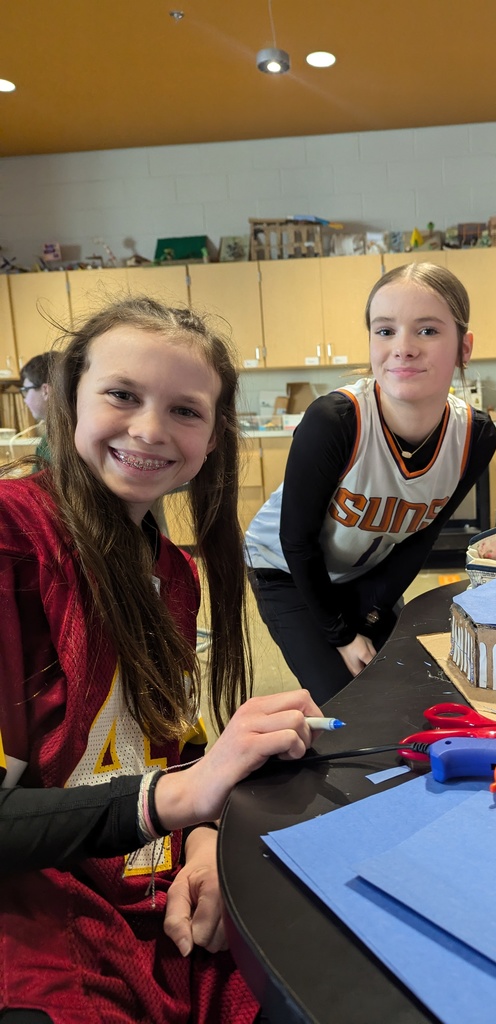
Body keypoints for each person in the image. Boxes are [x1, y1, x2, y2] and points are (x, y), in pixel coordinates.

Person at [0, 297, 324, 1024]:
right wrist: (179, 799)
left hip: (152, 893)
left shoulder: (173, 573)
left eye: (184, 410)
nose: (150, 430)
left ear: (212, 437)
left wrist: (204, 839)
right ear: (69, 401)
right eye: (122, 395)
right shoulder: (13, 537)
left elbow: (170, 746)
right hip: (38, 922)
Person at [246, 262, 496, 702]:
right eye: (385, 331)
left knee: (405, 687)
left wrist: (372, 613)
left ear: (464, 347)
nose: (403, 348)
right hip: (286, 569)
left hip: (364, 572)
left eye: (427, 331)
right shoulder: (335, 422)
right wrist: (342, 635)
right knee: (350, 701)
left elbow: (423, 536)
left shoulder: (475, 436)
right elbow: (297, 541)